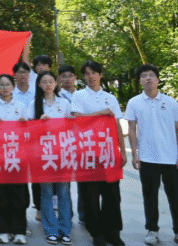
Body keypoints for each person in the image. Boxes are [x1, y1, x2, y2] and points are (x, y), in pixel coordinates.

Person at [125, 64, 178, 246]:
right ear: (140, 81)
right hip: (147, 159)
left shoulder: (171, 102)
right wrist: (135, 154)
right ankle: (152, 231)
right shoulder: (134, 103)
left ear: (158, 80)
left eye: (151, 75)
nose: (148, 78)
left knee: (175, 197)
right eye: (144, 76)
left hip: (171, 158)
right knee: (150, 197)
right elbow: (131, 129)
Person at [71, 60, 128, 246]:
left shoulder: (110, 98)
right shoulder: (78, 96)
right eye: (87, 74)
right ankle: (96, 233)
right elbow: (77, 120)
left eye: (94, 73)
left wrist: (122, 151)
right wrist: (101, 113)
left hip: (108, 154)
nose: (91, 77)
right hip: (87, 155)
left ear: (100, 75)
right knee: (91, 196)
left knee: (113, 195)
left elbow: (117, 125)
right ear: (83, 77)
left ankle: (113, 232)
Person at [28, 71, 73, 245]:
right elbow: (27, 130)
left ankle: (65, 230)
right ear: (39, 84)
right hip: (43, 154)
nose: (48, 84)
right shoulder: (34, 104)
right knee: (46, 192)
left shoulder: (64, 103)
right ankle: (51, 230)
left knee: (64, 192)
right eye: (44, 81)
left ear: (56, 83)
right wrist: (39, 122)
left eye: (50, 81)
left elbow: (72, 127)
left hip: (62, 153)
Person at [0, 74, 28, 244]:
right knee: (1, 195)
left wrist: (24, 125)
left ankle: (19, 231)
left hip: (18, 156)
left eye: (8, 84)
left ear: (13, 87)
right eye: (1, 85)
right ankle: (3, 230)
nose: (5, 88)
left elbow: (28, 133)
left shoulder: (21, 106)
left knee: (18, 195)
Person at [12, 61, 40, 220]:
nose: (22, 75)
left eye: (25, 72)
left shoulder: (36, 92)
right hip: (15, 141)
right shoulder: (10, 92)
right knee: (18, 176)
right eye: (19, 72)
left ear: (29, 75)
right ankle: (19, 211)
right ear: (15, 75)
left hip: (35, 140)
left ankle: (39, 208)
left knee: (37, 176)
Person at [57, 64, 84, 223]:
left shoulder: (83, 95)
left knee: (84, 180)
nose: (67, 79)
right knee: (64, 184)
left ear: (75, 78)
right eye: (64, 76)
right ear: (59, 79)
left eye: (70, 76)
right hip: (64, 144)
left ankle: (84, 214)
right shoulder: (57, 97)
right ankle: (66, 215)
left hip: (83, 143)